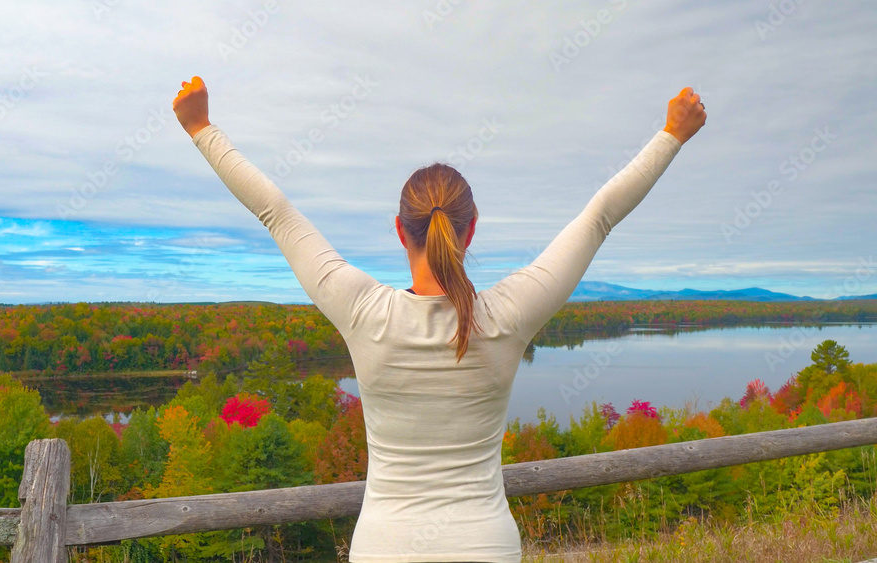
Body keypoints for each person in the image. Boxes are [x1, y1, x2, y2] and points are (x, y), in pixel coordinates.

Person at [173, 76, 705, 562]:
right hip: (486, 547)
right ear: (471, 232)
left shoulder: (364, 311)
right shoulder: (506, 315)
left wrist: (200, 126)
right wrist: (671, 134)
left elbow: (276, 213)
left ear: (400, 232)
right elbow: (600, 217)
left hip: (386, 548)